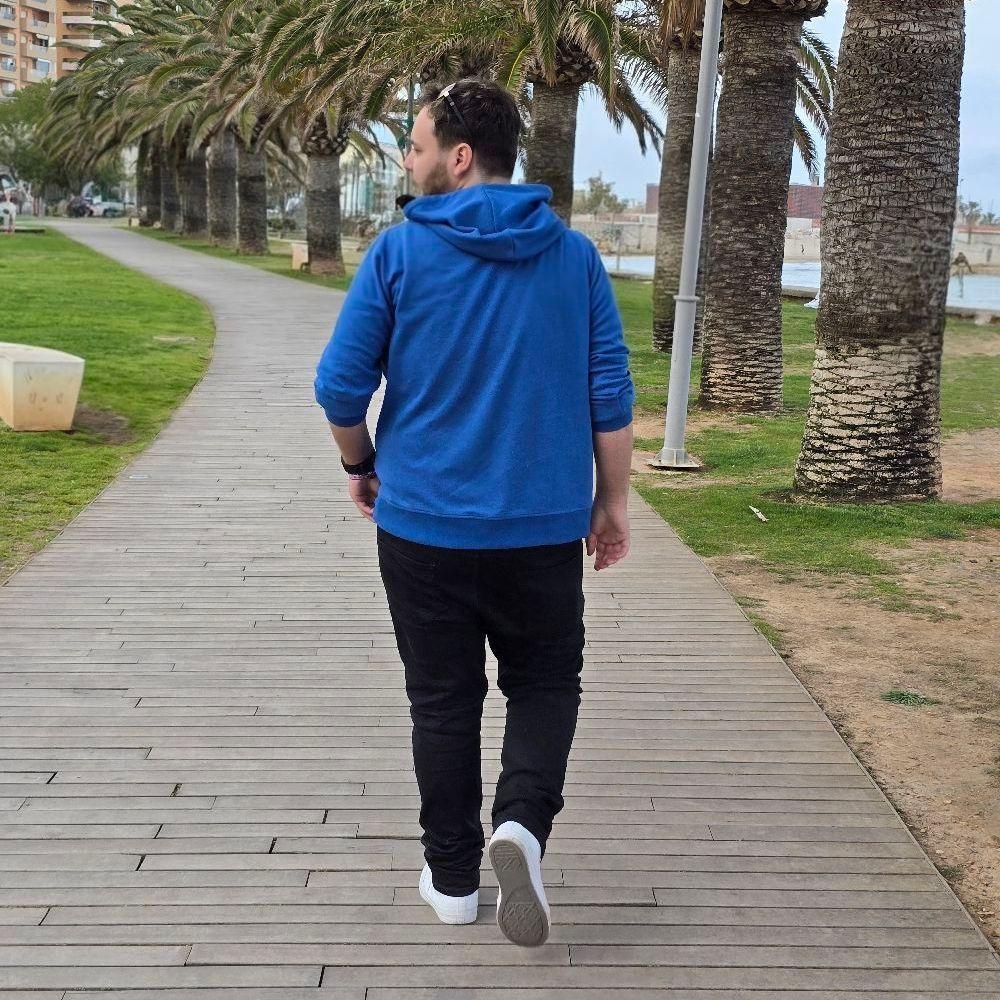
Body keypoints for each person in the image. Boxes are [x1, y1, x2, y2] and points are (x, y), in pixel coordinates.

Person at [313, 78, 634, 947]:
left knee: (442, 700)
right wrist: (611, 504)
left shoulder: (398, 253)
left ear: (458, 157)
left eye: (415, 146)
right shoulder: (574, 258)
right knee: (544, 683)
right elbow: (610, 394)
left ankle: (453, 879)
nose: (408, 160)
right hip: (540, 531)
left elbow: (339, 388)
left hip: (423, 525)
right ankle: (521, 825)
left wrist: (361, 465)